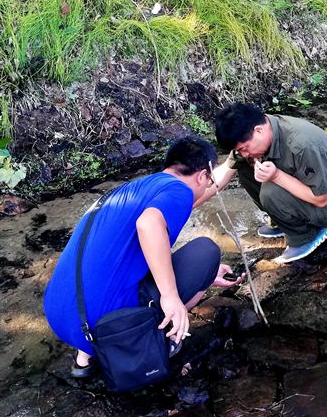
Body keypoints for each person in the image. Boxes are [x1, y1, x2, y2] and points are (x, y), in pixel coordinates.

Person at [43, 136, 244, 378]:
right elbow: (149, 225)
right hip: (105, 327)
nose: (208, 184)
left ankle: (84, 360)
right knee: (206, 251)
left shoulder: (132, 190)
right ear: (201, 175)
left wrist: (231, 164)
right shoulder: (178, 190)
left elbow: (197, 198)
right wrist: (170, 296)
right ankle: (157, 339)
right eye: (208, 179)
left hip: (63, 318)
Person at [206, 103, 327, 264]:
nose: (243, 153)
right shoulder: (260, 132)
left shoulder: (301, 143)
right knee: (244, 169)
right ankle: (281, 219)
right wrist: (189, 198)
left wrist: (276, 176)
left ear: (258, 130)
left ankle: (304, 235)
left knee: (271, 191)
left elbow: (320, 199)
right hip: (311, 192)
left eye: (244, 148)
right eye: (240, 150)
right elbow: (224, 172)